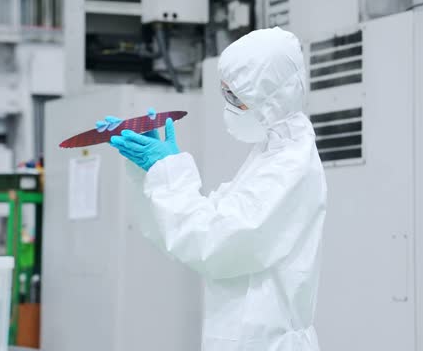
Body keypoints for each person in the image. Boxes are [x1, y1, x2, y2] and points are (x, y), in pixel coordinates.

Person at [96, 27, 328, 351]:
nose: (229, 107)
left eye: (237, 97)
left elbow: (216, 240)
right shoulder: (268, 155)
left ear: (270, 98)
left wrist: (170, 171)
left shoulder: (289, 166)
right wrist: (149, 172)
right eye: (226, 94)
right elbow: (189, 231)